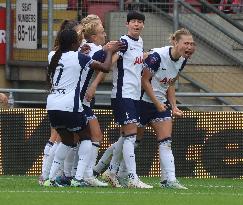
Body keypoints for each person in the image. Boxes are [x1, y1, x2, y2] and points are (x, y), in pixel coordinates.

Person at [43, 28, 123, 187]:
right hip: (69, 104)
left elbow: (65, 57)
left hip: (52, 104)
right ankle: (78, 178)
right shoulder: (79, 57)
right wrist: (109, 51)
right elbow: (105, 67)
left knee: (66, 140)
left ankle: (49, 179)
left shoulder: (52, 55)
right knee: (87, 137)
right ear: (75, 43)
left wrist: (80, 51)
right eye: (79, 41)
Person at [101, 11, 153, 189]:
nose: (136, 25)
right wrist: (93, 86)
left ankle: (111, 171)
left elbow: (134, 64)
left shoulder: (139, 43)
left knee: (125, 136)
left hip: (134, 94)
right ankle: (132, 178)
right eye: (133, 22)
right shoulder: (123, 43)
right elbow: (109, 64)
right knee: (130, 136)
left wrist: (145, 56)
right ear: (127, 24)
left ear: (143, 25)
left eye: (140, 22)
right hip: (123, 94)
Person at [139, 28, 195, 189]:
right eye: (186, 43)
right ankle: (102, 170)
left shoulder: (183, 60)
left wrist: (174, 106)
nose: (190, 47)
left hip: (160, 104)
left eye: (192, 44)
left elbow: (170, 83)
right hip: (141, 102)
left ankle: (168, 180)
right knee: (130, 141)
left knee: (166, 141)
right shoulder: (157, 56)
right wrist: (156, 102)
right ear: (175, 42)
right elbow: (144, 80)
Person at [39, 19, 81, 186]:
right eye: (79, 33)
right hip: (64, 100)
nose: (81, 37)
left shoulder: (57, 53)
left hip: (57, 99)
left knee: (62, 138)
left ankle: (55, 174)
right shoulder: (68, 55)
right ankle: (46, 175)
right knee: (58, 137)